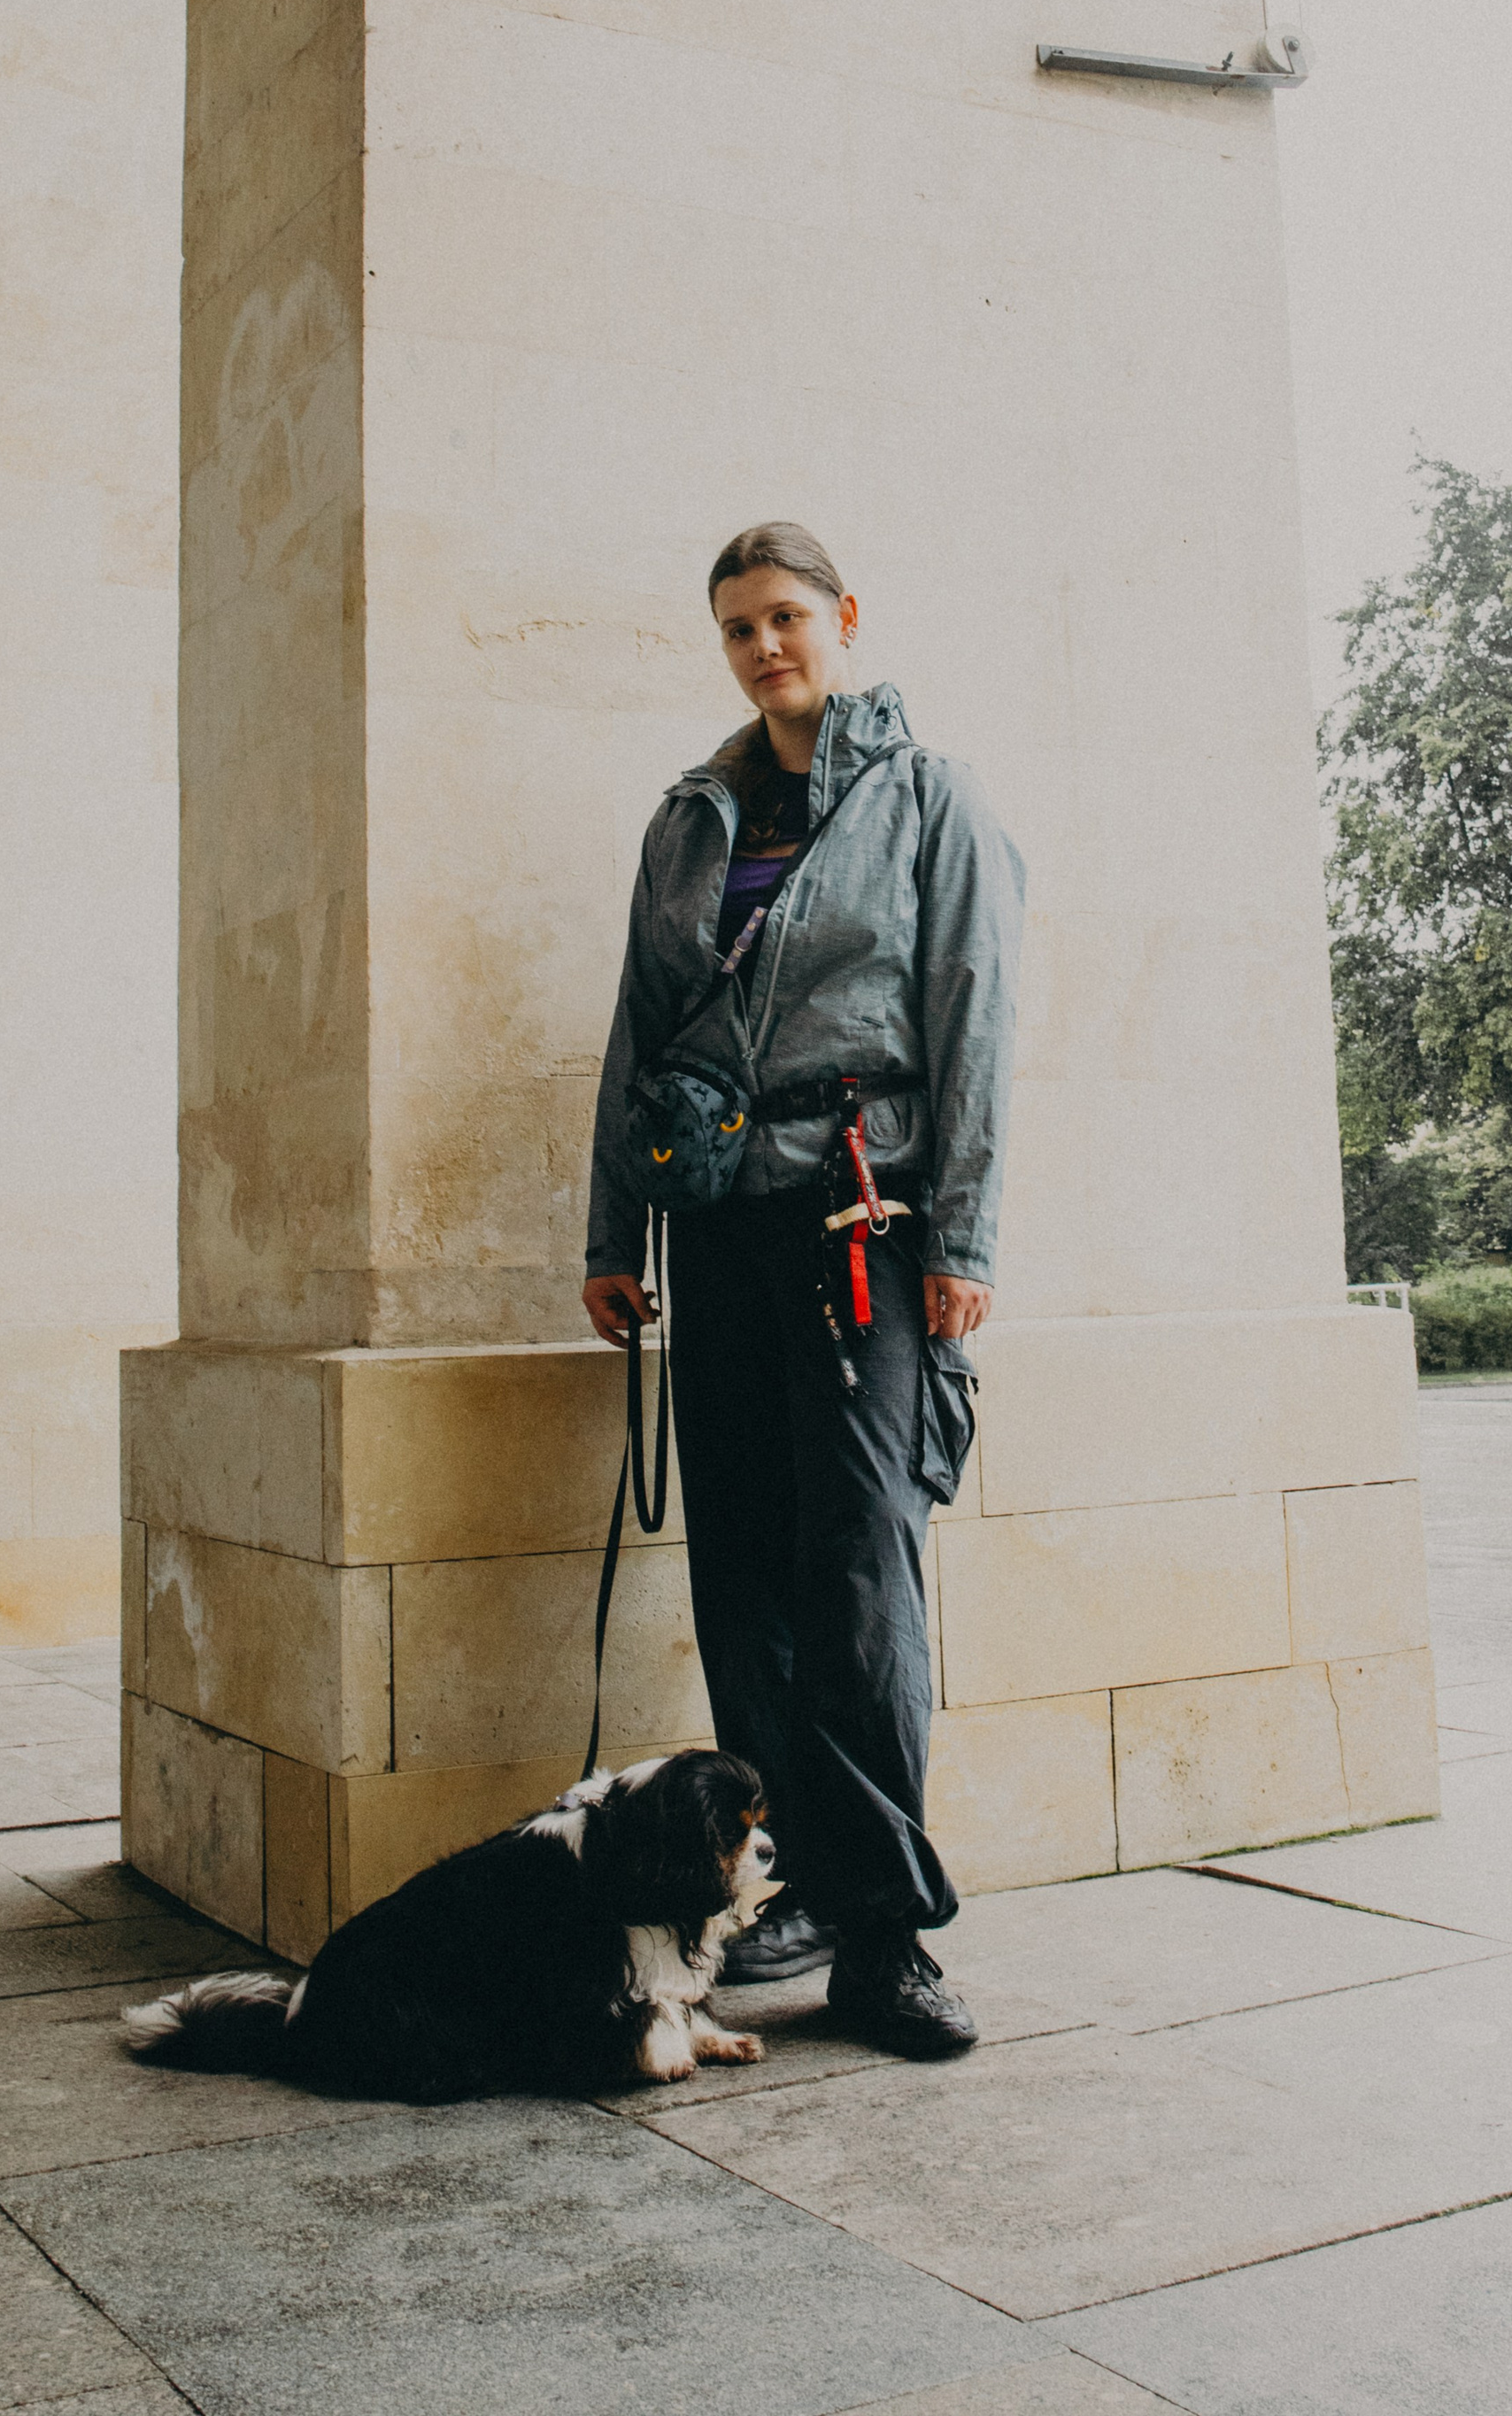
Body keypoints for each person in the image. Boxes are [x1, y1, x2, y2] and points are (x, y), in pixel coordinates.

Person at [582, 524, 1023, 2059]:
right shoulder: (692, 818)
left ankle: (887, 1937)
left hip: (861, 1226)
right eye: (736, 628)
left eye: (786, 618)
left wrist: (960, 1245)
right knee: (746, 1581)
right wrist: (614, 1235)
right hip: (714, 1231)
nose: (765, 647)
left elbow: (974, 1028)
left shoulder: (930, 801)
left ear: (844, 619)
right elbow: (640, 1039)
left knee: (857, 1579)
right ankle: (792, 1890)